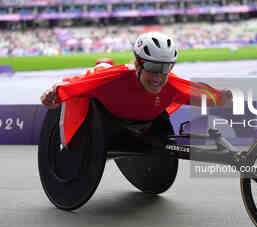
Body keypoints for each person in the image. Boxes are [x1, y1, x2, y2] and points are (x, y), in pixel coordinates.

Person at [40, 32, 232, 150]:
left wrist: (221, 98)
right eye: (152, 67)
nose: (158, 77)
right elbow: (77, 84)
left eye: (165, 68)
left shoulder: (170, 84)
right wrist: (54, 95)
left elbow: (202, 94)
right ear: (137, 64)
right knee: (101, 71)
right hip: (108, 99)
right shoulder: (114, 79)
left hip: (142, 121)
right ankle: (104, 63)